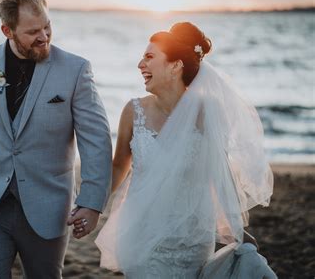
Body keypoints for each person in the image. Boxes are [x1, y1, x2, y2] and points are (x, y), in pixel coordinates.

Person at [0, 0, 112, 278]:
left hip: (48, 210)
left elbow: (95, 140)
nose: (44, 36)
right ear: (7, 30)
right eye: (33, 31)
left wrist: (91, 202)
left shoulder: (76, 70)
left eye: (47, 26)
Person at [90, 22, 274, 278]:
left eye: (149, 57)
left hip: (191, 238)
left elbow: (220, 172)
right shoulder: (133, 111)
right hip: (142, 234)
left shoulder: (208, 111)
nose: (140, 64)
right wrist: (91, 205)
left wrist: (236, 228)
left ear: (175, 66)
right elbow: (119, 164)